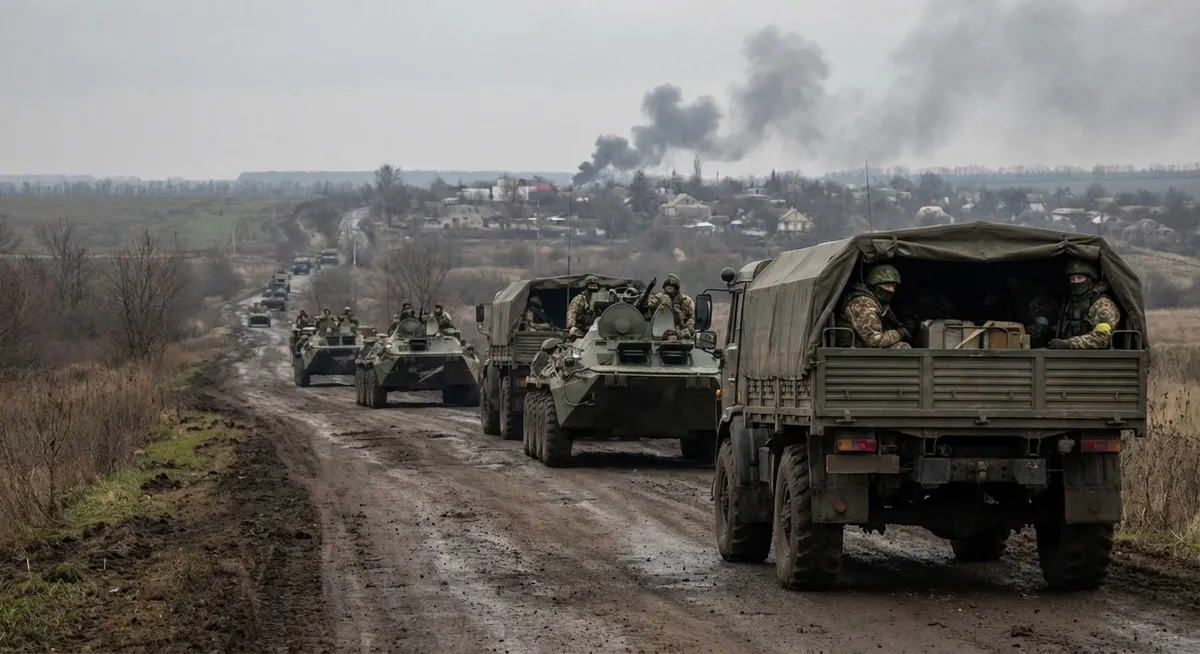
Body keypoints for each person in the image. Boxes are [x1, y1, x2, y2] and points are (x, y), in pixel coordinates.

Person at [1047, 259, 1120, 349]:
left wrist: (1069, 344)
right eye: (1072, 279)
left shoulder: (1102, 304)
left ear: (1090, 280)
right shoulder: (1069, 303)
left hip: (1095, 359)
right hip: (1067, 356)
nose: (1075, 282)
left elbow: (1101, 338)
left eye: (1079, 278)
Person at [839, 263, 913, 349]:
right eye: (888, 286)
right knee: (902, 348)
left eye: (894, 286)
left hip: (862, 349)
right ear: (877, 288)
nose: (892, 290)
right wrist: (901, 333)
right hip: (857, 353)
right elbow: (875, 341)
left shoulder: (877, 303)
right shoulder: (863, 304)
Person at [645, 273, 696, 338]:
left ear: (676, 287)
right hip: (659, 330)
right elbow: (649, 305)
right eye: (667, 285)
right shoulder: (659, 297)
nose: (669, 287)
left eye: (672, 285)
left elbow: (690, 318)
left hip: (679, 332)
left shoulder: (685, 300)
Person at [566, 275, 602, 339]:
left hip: (597, 329)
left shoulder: (601, 298)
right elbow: (572, 312)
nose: (593, 288)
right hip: (582, 329)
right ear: (586, 286)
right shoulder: (580, 298)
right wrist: (571, 326)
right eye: (591, 285)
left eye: (595, 286)